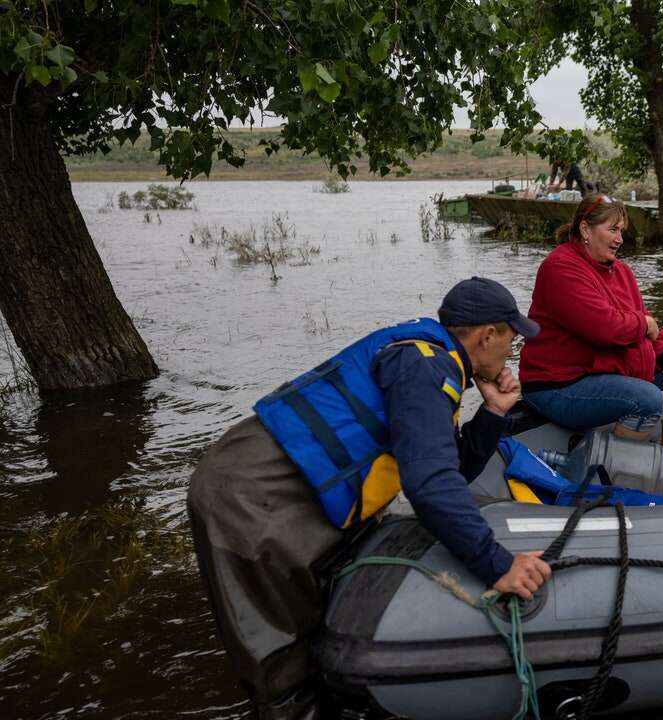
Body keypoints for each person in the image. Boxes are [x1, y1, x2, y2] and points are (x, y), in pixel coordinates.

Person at [188, 278, 551, 719]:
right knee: (280, 662)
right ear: (486, 335)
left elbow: (445, 467)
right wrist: (498, 565)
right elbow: (431, 485)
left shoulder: (433, 359)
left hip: (280, 483)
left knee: (311, 626)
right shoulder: (425, 367)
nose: (510, 353)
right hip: (250, 493)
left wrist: (493, 412)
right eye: (510, 341)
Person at [519, 194, 663, 482]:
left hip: (600, 370)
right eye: (612, 230)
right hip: (558, 384)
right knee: (646, 399)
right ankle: (612, 475)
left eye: (621, 230)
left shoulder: (621, 271)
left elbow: (647, 326)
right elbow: (604, 328)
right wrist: (644, 324)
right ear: (585, 230)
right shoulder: (560, 268)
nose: (620, 239)